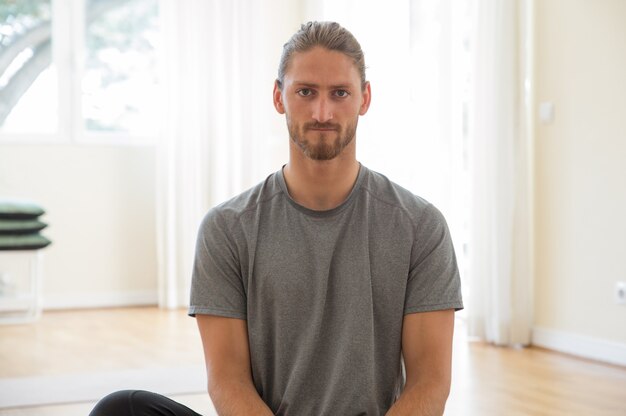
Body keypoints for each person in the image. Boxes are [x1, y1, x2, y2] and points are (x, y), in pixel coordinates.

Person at [90, 21, 463, 416]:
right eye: (306, 92)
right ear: (278, 96)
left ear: (364, 98)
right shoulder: (228, 229)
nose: (323, 112)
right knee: (121, 409)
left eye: (340, 93)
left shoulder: (420, 226)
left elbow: (430, 384)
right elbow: (228, 380)